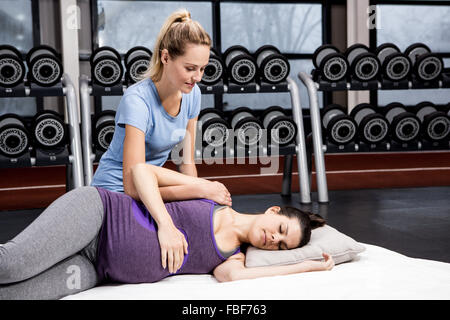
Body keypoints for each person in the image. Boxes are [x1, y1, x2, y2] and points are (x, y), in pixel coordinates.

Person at [0, 163, 334, 300]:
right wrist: (167, 225)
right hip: (98, 216)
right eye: (280, 229)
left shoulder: (234, 260)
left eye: (280, 245)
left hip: (96, 268)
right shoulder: (213, 196)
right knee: (10, 264)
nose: (273, 240)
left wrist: (306, 265)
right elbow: (142, 172)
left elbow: (235, 280)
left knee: (14, 295)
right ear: (273, 210)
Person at [91, 9, 232, 206]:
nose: (198, 77)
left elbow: (186, 162)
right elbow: (132, 187)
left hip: (151, 190)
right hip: (115, 193)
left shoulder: (193, 94)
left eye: (202, 68)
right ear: (165, 58)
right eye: (190, 68)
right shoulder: (137, 101)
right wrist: (197, 188)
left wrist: (198, 198)